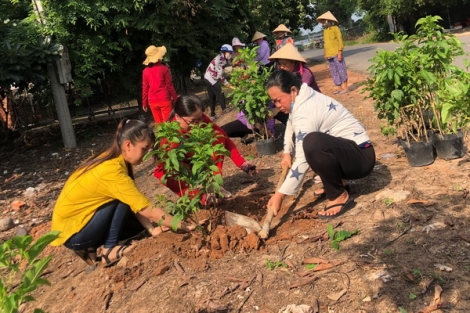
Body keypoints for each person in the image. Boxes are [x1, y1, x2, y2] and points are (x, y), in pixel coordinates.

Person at [51, 119, 194, 267]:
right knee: (122, 201)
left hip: (76, 226)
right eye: (144, 149)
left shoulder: (115, 159)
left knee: (136, 225)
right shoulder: (112, 171)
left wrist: (152, 229)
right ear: (128, 145)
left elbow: (136, 204)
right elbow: (145, 208)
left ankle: (89, 248)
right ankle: (109, 249)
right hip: (73, 234)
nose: (146, 155)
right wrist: (183, 225)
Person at [265, 70, 375, 219]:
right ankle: (338, 183)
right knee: (313, 144)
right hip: (350, 152)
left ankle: (338, 195)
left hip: (361, 158)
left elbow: (303, 159)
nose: (277, 106)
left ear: (293, 90)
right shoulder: (300, 99)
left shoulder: (306, 109)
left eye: (279, 100)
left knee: (312, 143)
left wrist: (279, 195)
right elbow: (291, 123)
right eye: (274, 102)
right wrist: (286, 152)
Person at [155, 94, 257, 203]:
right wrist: (197, 196)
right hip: (185, 166)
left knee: (217, 138)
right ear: (178, 117)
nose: (198, 124)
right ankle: (198, 194)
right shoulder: (171, 137)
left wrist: (242, 163)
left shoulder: (199, 119)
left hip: (198, 157)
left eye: (200, 118)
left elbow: (223, 138)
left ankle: (213, 185)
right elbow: (162, 173)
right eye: (193, 121)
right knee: (171, 171)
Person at [268, 42, 321, 125]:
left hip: (313, 106)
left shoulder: (305, 73)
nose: (281, 67)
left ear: (294, 62)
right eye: (280, 64)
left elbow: (299, 96)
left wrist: (277, 110)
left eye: (284, 64)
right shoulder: (288, 74)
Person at [142, 45, 178, 123]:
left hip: (152, 101)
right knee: (168, 123)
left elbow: (145, 88)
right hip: (164, 99)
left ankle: (162, 135)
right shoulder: (164, 69)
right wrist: (175, 98)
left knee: (159, 124)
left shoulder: (145, 71)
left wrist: (144, 103)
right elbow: (169, 86)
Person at [317, 11, 348, 94]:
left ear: (329, 20)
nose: (323, 23)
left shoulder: (335, 28)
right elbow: (325, 43)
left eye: (324, 21)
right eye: (322, 22)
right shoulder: (325, 31)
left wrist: (340, 52)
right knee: (334, 71)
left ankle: (345, 88)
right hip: (329, 54)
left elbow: (340, 40)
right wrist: (325, 53)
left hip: (336, 53)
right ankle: (339, 88)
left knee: (341, 69)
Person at [204, 44, 234, 120]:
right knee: (220, 93)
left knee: (212, 97)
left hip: (207, 77)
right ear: (224, 52)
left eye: (231, 53)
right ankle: (224, 109)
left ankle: (212, 115)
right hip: (211, 79)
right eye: (229, 53)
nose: (231, 54)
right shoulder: (221, 60)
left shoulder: (220, 57)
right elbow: (220, 76)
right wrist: (227, 83)